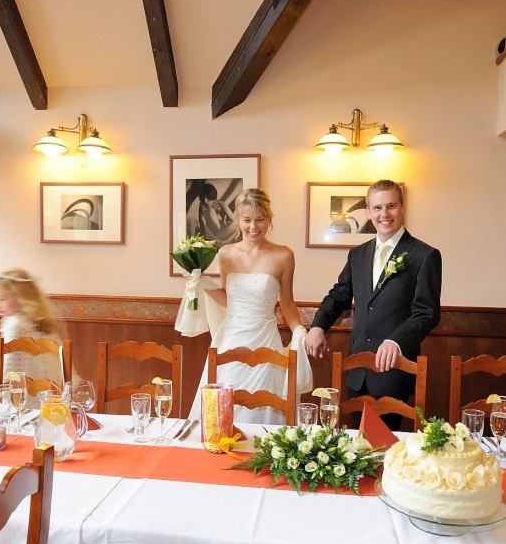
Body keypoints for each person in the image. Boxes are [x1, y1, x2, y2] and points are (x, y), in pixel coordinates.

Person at [305, 180, 441, 402]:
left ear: (403, 208)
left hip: (394, 370)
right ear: (368, 212)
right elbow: (339, 295)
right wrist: (318, 326)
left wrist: (396, 341)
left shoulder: (425, 255)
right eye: (377, 207)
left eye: (391, 206)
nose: (384, 214)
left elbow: (427, 313)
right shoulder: (357, 254)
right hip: (357, 371)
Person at [186, 189, 311, 424]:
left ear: (269, 218)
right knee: (224, 405)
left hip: (265, 339)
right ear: (238, 220)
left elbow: (287, 302)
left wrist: (299, 330)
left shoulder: (284, 255)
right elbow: (228, 299)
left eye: (260, 219)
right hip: (230, 339)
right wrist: (202, 283)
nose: (253, 226)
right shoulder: (225, 253)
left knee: (265, 404)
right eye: (247, 220)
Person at [0, 268, 67, 402]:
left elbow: (4, 373)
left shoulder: (14, 324)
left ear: (20, 297)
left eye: (2, 299)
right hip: (51, 400)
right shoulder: (42, 323)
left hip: (22, 403)